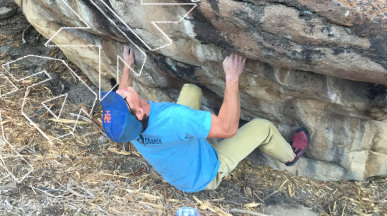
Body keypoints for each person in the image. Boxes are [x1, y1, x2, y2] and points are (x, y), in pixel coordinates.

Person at [100, 46, 310, 193]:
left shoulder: (130, 129)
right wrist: (232, 77)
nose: (120, 93)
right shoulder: (174, 118)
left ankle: (201, 132)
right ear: (138, 113)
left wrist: (127, 66)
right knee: (263, 127)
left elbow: (123, 97)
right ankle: (290, 156)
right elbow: (228, 129)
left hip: (180, 166)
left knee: (191, 91)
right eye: (122, 98)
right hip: (204, 175)